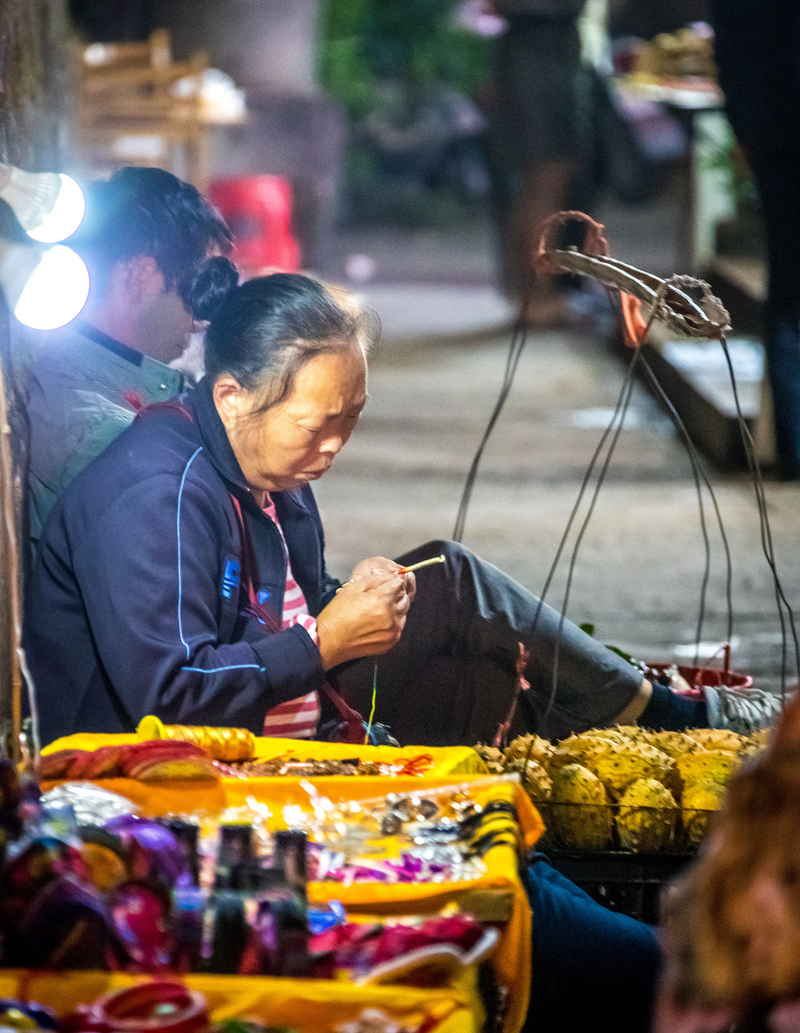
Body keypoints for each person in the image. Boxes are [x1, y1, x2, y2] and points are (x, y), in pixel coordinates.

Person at [22, 272, 783, 749]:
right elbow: (170, 699)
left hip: (283, 715)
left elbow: (287, 604)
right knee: (456, 592)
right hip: (149, 777)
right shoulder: (158, 495)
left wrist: (354, 605)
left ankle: (649, 744)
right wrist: (324, 640)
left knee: (461, 627)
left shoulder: (270, 466)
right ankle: (677, 724)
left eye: (351, 420)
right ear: (231, 396)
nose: (334, 446)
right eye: (316, 424)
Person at [25, 165, 239, 546]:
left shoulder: (110, 386)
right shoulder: (107, 434)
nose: (199, 322)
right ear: (140, 277)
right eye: (197, 291)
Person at [476, 0, 645, 324]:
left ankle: (526, 293)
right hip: (551, 55)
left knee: (530, 181)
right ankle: (542, 297)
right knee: (549, 179)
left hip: (517, 49)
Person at [711, 0, 800, 480]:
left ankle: (795, 441)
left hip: (779, 122)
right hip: (778, 124)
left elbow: (732, 24)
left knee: (790, 285)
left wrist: (745, 121)